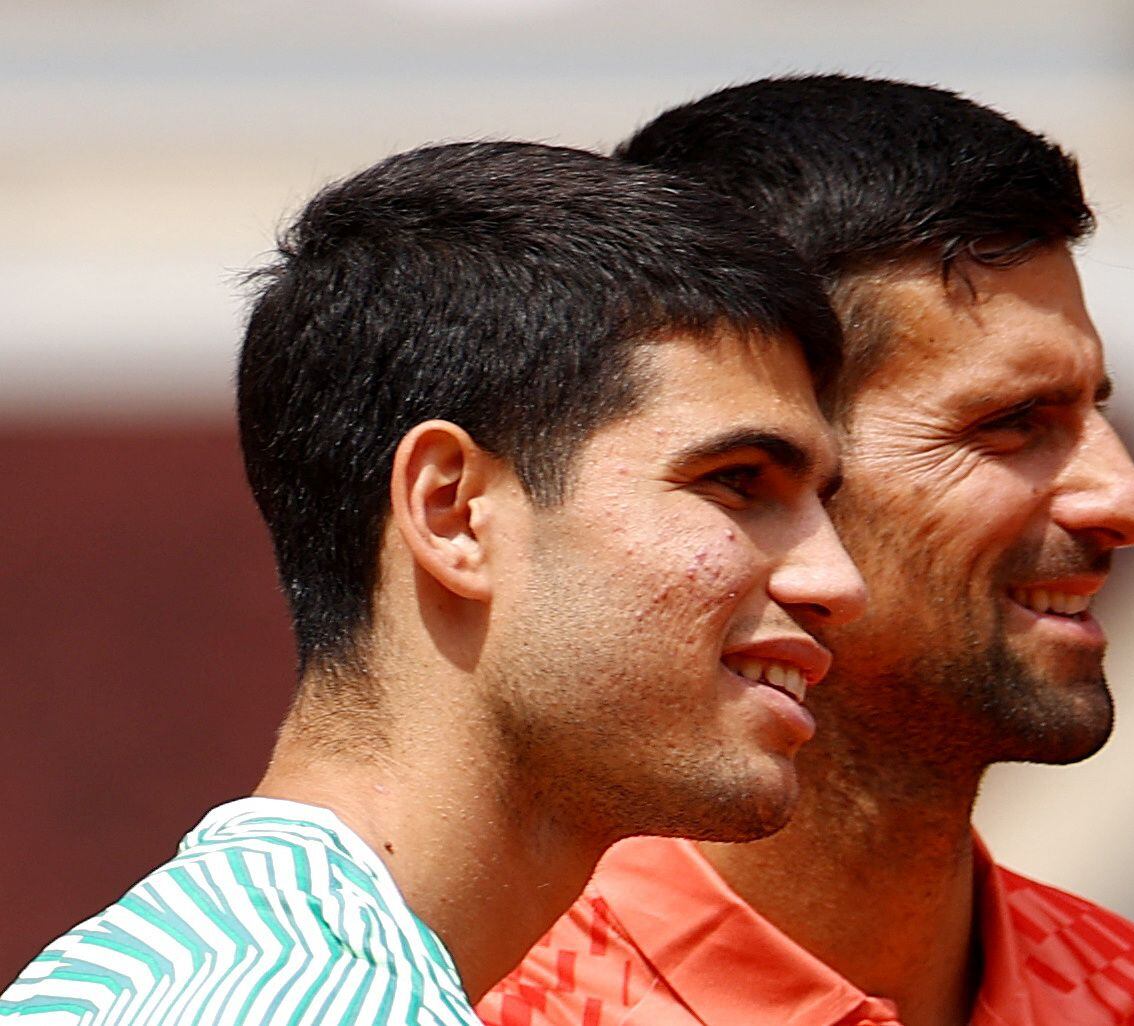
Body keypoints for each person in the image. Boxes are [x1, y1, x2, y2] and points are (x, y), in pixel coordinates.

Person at [0, 140, 867, 1024]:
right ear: (453, 511)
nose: (836, 580)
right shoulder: (309, 1002)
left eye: (823, 502)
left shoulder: (228, 972)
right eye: (737, 481)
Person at [480, 76, 1134, 1026]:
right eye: (1015, 424)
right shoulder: (467, 1003)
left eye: (1093, 408)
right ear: (756, 462)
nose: (1126, 501)